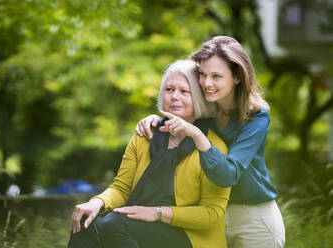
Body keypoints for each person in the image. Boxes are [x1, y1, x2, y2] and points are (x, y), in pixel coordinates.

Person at [135, 36, 285, 248]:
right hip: (212, 218)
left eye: (216, 76)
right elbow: (180, 113)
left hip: (254, 219)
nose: (207, 83)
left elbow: (228, 174)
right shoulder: (207, 108)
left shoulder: (256, 117)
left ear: (237, 77)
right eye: (203, 75)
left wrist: (197, 135)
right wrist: (155, 121)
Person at [68, 59, 231, 248]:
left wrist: (157, 213)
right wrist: (96, 203)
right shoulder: (145, 135)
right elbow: (122, 188)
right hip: (138, 223)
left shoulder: (213, 147)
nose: (174, 96)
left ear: (198, 98)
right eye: (169, 90)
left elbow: (211, 213)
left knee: (115, 225)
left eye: (184, 91)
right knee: (84, 222)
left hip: (191, 237)